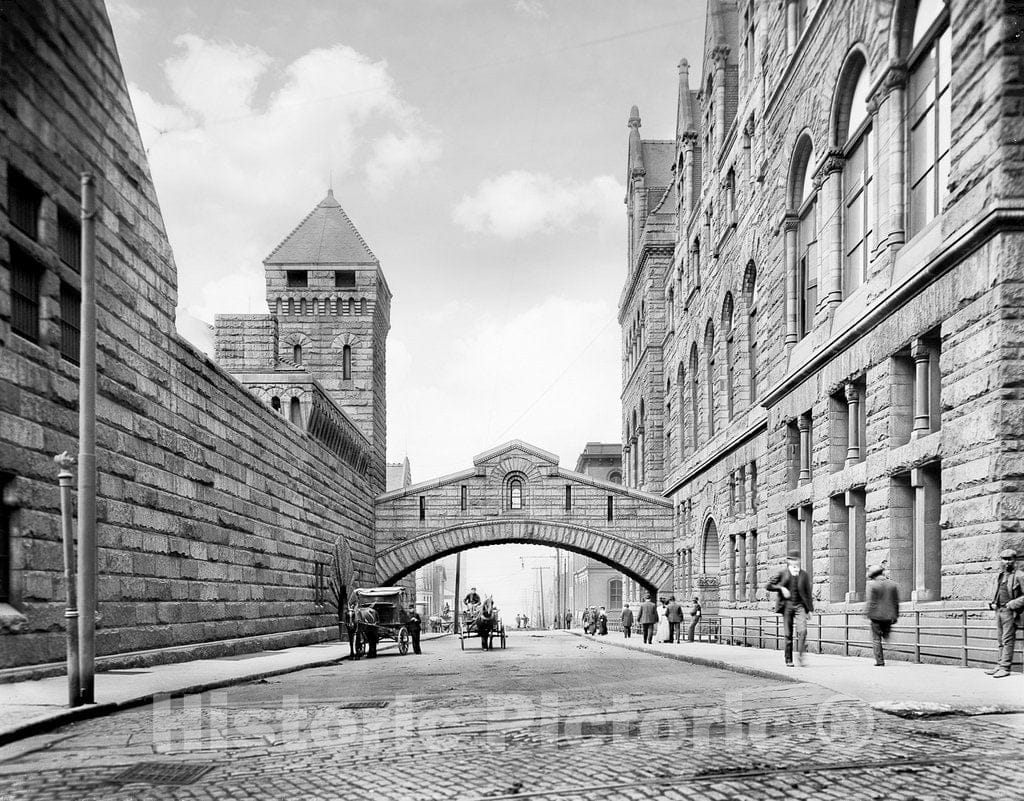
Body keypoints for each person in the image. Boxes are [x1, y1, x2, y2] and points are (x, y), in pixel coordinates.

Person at [766, 550, 814, 667]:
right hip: (787, 606)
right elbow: (768, 586)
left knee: (802, 631)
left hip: (800, 606)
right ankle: (788, 659)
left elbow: (808, 593)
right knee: (788, 634)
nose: (794, 562)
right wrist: (781, 588)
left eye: (796, 559)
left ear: (799, 560)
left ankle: (801, 655)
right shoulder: (783, 573)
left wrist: (809, 610)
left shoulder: (804, 575)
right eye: (791, 559)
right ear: (788, 561)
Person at [988, 548, 1024, 678]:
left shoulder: (1020, 575)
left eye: (1009, 559)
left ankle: (1005, 667)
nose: (1006, 562)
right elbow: (998, 591)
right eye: (1004, 559)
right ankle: (999, 665)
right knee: (1000, 640)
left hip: (1010, 612)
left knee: (1007, 640)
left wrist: (1013, 604)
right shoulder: (1001, 575)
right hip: (999, 610)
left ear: (1015, 560)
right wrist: (992, 602)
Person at [864, 565, 899, 666]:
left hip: (876, 616)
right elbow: (895, 602)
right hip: (889, 615)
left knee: (876, 639)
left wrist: (867, 614)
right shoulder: (893, 585)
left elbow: (871, 602)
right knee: (885, 633)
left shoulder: (873, 586)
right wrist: (896, 615)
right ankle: (886, 636)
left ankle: (880, 661)